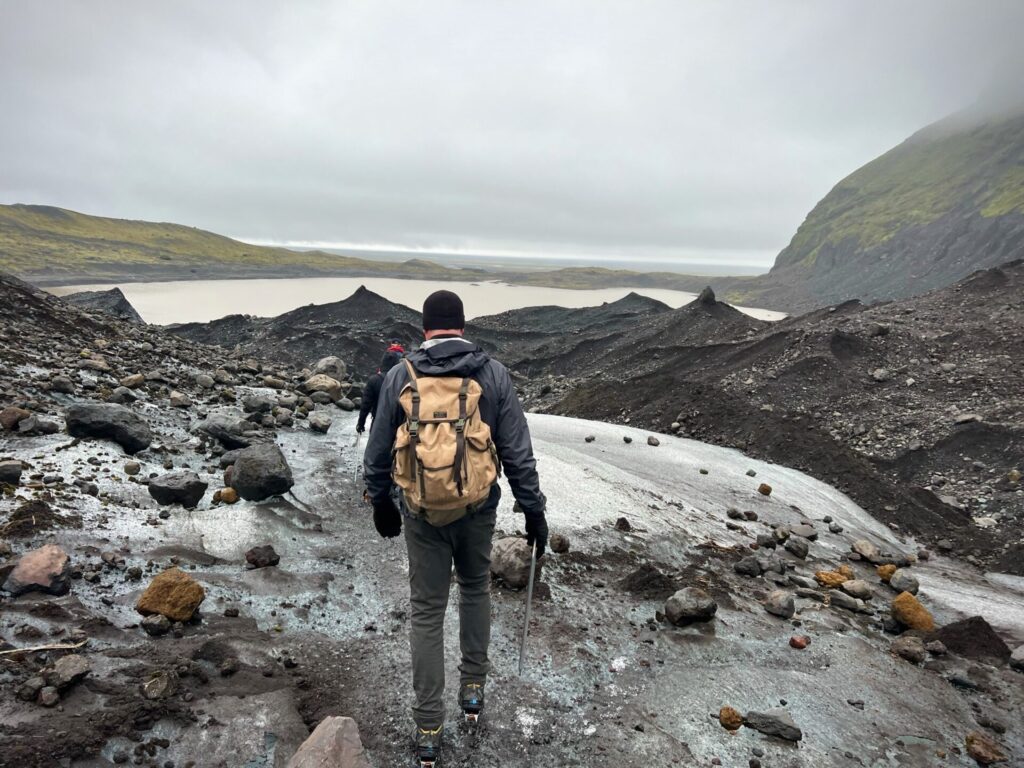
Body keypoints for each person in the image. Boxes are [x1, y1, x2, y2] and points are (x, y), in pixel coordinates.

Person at [363, 290, 547, 766]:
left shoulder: (399, 376)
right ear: (462, 325)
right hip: (478, 509)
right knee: (474, 591)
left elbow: (379, 447)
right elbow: (516, 451)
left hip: (420, 512)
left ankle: (428, 727)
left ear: (425, 328)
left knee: (426, 610)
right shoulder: (492, 374)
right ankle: (472, 692)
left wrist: (381, 500)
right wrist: (533, 509)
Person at [355, 342, 405, 434]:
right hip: (398, 425)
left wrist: (361, 423)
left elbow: (365, 405)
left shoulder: (374, 380)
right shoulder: (403, 381)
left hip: (378, 423)